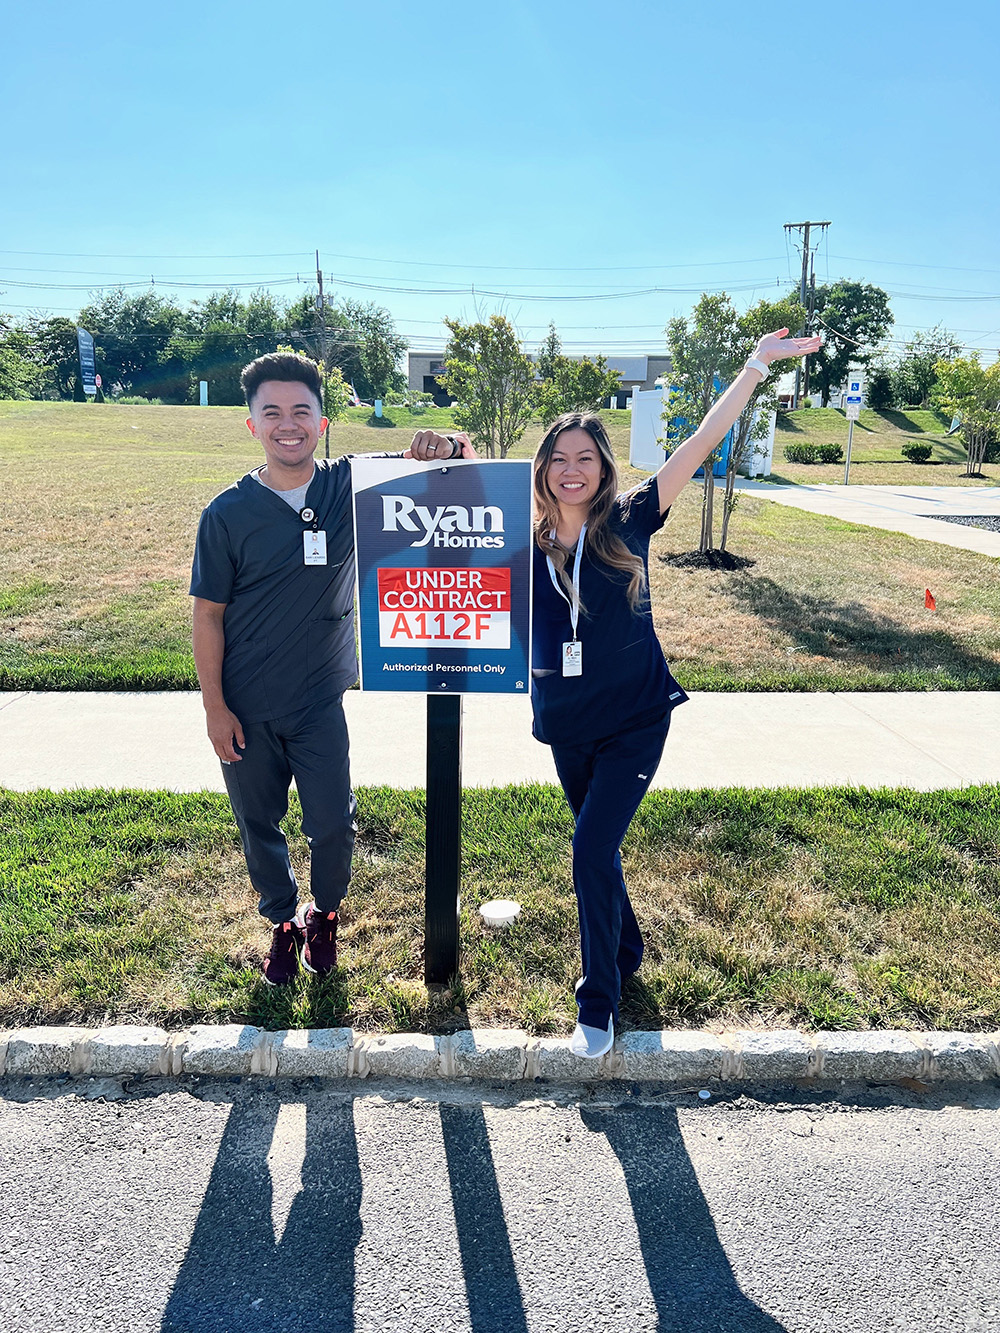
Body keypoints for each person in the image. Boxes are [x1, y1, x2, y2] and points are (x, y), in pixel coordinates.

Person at [420, 327, 819, 1056]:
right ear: (541, 471)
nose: (572, 471)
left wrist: (754, 368)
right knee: (597, 851)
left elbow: (701, 441)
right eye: (558, 459)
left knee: (587, 850)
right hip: (565, 722)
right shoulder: (519, 536)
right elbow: (455, 492)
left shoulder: (631, 517)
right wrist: (445, 450)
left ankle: (599, 997)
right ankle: (629, 947)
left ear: (603, 467)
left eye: (586, 458)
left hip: (636, 719)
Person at [190, 351, 470, 985]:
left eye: (301, 411)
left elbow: (456, 463)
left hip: (320, 699)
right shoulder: (226, 514)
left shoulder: (350, 484)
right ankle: (284, 922)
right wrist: (214, 707)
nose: (287, 424)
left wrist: (445, 440)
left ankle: (324, 913)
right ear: (252, 424)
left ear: (322, 421)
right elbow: (207, 616)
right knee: (258, 822)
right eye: (272, 413)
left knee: (333, 826)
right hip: (246, 703)